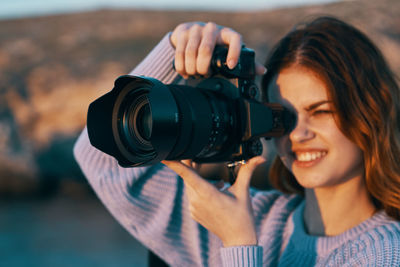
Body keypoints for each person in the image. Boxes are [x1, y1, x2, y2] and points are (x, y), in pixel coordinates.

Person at [74, 16, 400, 266]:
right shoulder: (254, 215)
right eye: (282, 115)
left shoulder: (384, 251)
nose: (298, 134)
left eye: (322, 111)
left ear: (369, 113)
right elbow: (98, 156)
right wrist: (174, 50)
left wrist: (239, 244)